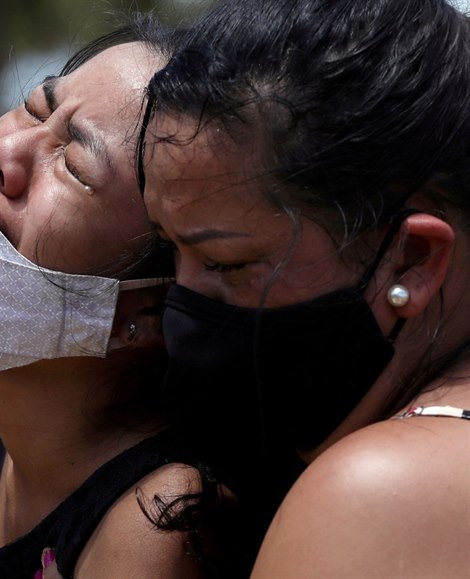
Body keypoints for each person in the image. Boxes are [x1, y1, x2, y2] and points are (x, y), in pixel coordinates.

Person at [138, 0, 470, 576]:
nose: (180, 308)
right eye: (170, 250)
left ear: (411, 259)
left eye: (226, 263)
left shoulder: (381, 493)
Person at [0, 22, 253, 579]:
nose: (4, 151)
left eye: (74, 166)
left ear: (149, 313)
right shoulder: (2, 421)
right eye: (32, 108)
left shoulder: (160, 525)